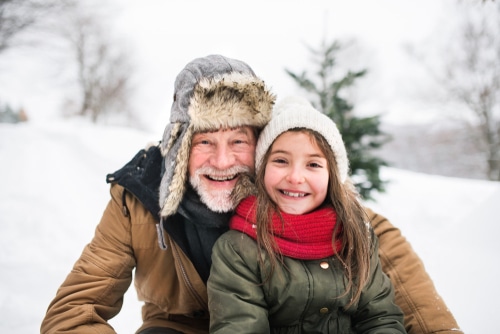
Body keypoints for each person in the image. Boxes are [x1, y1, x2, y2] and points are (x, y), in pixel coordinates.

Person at [41, 54, 462, 334]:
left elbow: (419, 311)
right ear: (180, 146)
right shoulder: (138, 202)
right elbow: (72, 313)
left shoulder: (326, 212)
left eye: (239, 141)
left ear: (261, 149)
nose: (222, 161)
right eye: (204, 141)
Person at [207, 96, 407, 333]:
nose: (295, 177)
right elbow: (240, 326)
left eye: (313, 165)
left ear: (332, 175)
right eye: (281, 161)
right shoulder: (239, 248)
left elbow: (380, 318)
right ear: (261, 170)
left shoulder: (356, 233)